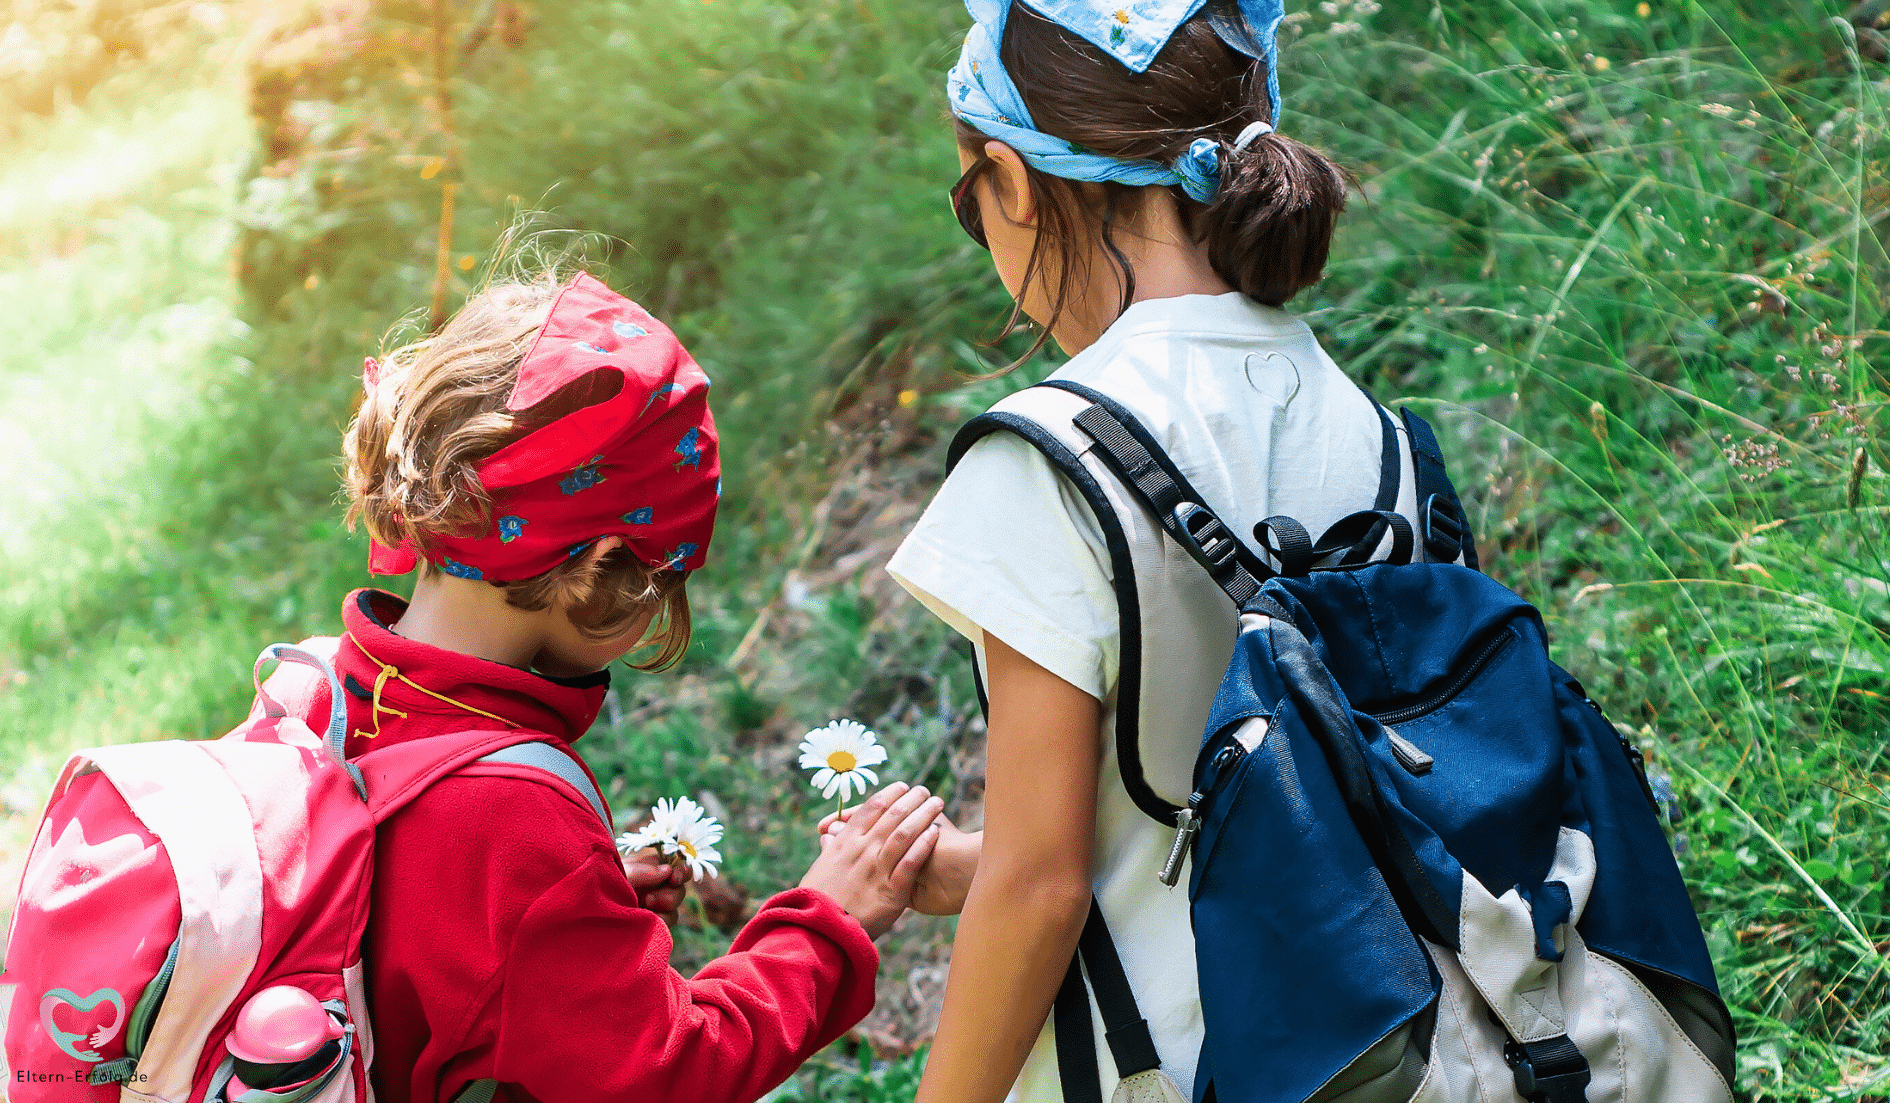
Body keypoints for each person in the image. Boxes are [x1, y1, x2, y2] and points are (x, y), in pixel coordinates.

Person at [871, 2, 1426, 1101]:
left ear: (1011, 181)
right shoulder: (1375, 430)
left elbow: (1042, 886)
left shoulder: (1045, 458)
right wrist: (967, 866)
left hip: (1163, 1069)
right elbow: (1278, 784)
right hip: (1393, 1045)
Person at [262, 268, 943, 1103]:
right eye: (663, 579)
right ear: (599, 569)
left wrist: (575, 911)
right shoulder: (511, 820)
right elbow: (672, 1072)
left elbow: (409, 928)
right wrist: (827, 920)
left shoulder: (324, 690)